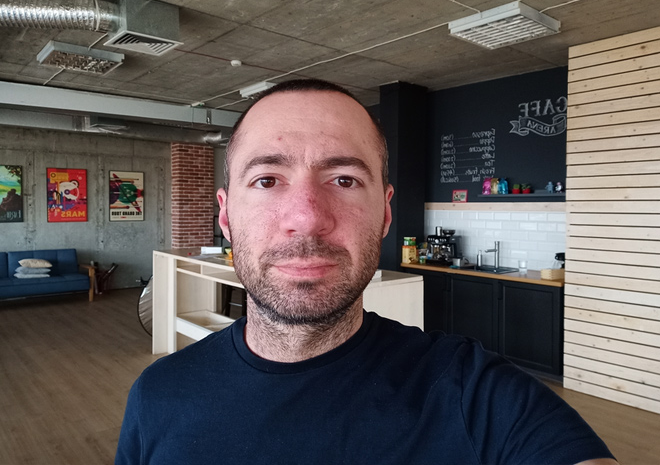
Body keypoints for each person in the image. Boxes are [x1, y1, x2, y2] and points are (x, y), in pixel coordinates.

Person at [116, 79, 617, 464]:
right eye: (267, 180)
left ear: (385, 213)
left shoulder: (479, 397)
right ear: (226, 216)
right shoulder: (157, 396)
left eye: (344, 179)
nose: (308, 217)